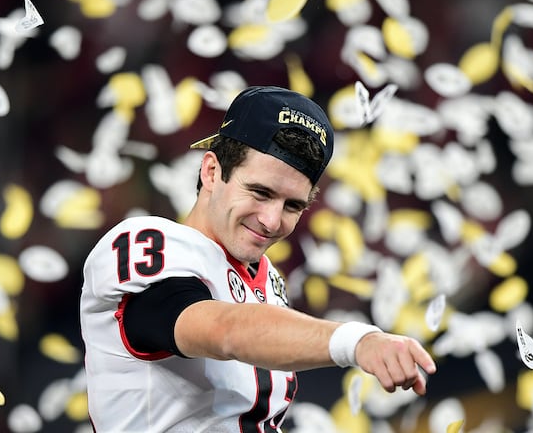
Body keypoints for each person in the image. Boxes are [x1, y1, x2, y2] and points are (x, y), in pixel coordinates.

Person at [79, 85, 437, 432]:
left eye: (292, 205)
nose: (271, 220)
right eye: (260, 192)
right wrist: (355, 341)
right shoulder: (150, 244)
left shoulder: (267, 282)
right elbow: (225, 331)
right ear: (212, 171)